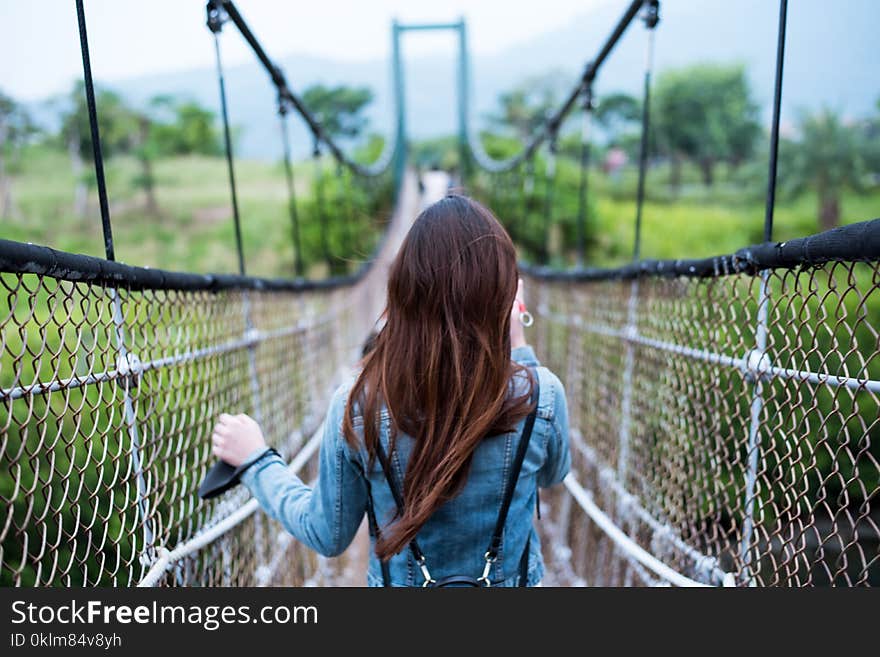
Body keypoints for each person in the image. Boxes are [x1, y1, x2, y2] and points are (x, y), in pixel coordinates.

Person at [209, 195, 570, 587]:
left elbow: (326, 534)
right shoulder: (542, 396)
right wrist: (518, 348)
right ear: (504, 296)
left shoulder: (357, 404)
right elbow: (551, 474)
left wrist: (256, 462)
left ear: (403, 291)